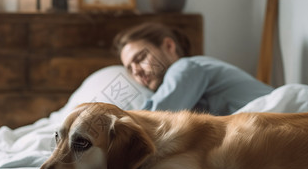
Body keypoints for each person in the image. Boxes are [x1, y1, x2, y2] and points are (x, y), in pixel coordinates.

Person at [113, 22, 273, 115]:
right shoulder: (190, 96)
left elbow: (150, 120)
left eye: (140, 59)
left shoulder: (185, 67)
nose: (136, 71)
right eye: (129, 69)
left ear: (168, 46)